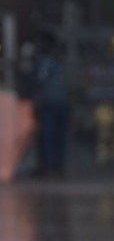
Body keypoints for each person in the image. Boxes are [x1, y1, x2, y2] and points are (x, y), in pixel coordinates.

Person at [32, 32, 70, 178]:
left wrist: (36, 98)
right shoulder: (59, 61)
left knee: (48, 136)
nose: (37, 46)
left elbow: (40, 81)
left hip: (50, 103)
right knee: (58, 137)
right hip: (61, 101)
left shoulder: (45, 62)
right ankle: (56, 168)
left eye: (40, 43)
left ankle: (49, 168)